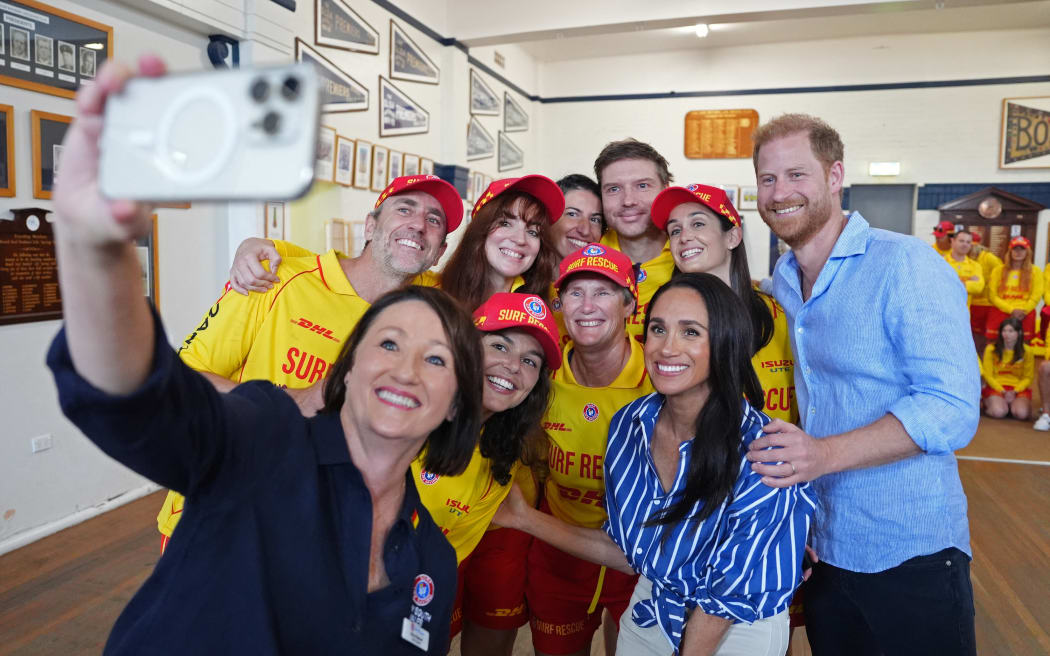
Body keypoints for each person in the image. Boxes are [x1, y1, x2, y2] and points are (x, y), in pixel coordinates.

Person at [49, 55, 484, 654]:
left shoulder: (430, 559)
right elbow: (146, 388)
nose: (406, 367)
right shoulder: (264, 434)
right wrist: (94, 250)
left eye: (436, 360)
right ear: (349, 366)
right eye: (386, 343)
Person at [747, 113, 979, 655]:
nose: (780, 193)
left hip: (909, 551)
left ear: (835, 176)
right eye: (767, 179)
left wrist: (821, 455)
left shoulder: (905, 265)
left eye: (797, 175)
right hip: (825, 548)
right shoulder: (782, 279)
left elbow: (951, 408)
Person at [495, 273, 815, 655]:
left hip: (737, 623)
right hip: (654, 602)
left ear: (726, 342)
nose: (667, 347)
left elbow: (724, 601)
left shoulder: (762, 447)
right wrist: (523, 517)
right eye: (658, 329)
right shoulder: (630, 425)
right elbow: (627, 552)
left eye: (691, 332)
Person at [155, 170, 465, 549]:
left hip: (320, 532)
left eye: (434, 221)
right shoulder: (275, 279)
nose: (418, 225)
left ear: (440, 252)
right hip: (223, 512)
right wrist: (288, 399)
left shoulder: (433, 309)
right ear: (370, 226)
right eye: (405, 209)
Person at [523, 244, 654, 656]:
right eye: (575, 293)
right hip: (559, 552)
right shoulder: (541, 373)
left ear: (630, 304)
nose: (586, 305)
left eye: (602, 292)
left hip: (642, 561)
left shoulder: (661, 375)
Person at [649, 183, 798, 424]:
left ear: (732, 236)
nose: (684, 237)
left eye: (697, 224)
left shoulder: (780, 312)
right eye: (674, 230)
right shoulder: (663, 319)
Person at [437, 175, 563, 310]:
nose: (520, 239)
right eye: (505, 223)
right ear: (480, 229)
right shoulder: (432, 290)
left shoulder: (554, 302)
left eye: (533, 232)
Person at [593, 139, 677, 341]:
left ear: (665, 189)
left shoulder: (690, 254)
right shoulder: (586, 254)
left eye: (642, 185)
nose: (628, 200)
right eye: (614, 189)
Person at [986, 235, 1042, 342]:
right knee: (994, 346)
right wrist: (1011, 310)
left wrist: (1024, 311)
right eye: (1015, 249)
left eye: (1022, 249)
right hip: (1001, 311)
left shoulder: (1036, 271)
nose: (1018, 252)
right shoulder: (998, 270)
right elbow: (992, 295)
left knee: (1023, 347)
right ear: (1010, 251)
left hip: (1025, 314)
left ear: (1028, 252)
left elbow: (1036, 296)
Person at [981, 317, 1034, 421]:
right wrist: (1002, 391)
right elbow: (988, 375)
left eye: (1011, 331)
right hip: (996, 387)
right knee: (998, 412)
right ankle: (990, 404)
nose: (1006, 334)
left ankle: (1012, 406)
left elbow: (1028, 377)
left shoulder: (1027, 351)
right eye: (1004, 331)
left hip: (1017, 388)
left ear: (1018, 333)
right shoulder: (991, 349)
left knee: (1022, 414)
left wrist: (1015, 391)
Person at [967, 232, 1002, 353]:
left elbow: (1001, 272)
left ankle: (982, 361)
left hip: (986, 303)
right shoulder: (966, 259)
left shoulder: (988, 257)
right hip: (970, 303)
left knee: (982, 336)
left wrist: (989, 284)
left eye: (969, 244)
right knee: (971, 335)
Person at [943, 229, 984, 307]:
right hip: (943, 310)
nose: (965, 244)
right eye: (961, 241)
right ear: (952, 241)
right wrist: (967, 282)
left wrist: (952, 282)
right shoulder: (941, 262)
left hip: (964, 313)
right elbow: (939, 286)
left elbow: (979, 287)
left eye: (968, 242)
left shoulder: (975, 265)